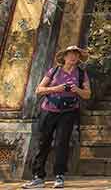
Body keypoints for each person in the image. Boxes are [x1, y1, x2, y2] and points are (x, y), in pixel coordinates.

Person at [22, 46, 91, 189]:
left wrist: (76, 89)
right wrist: (57, 88)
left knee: (62, 143)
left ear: (79, 58)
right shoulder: (53, 71)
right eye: (70, 54)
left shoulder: (81, 73)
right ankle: (38, 177)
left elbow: (87, 94)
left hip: (69, 111)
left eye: (76, 55)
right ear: (64, 57)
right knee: (43, 142)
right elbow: (39, 90)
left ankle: (59, 175)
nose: (73, 57)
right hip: (49, 110)